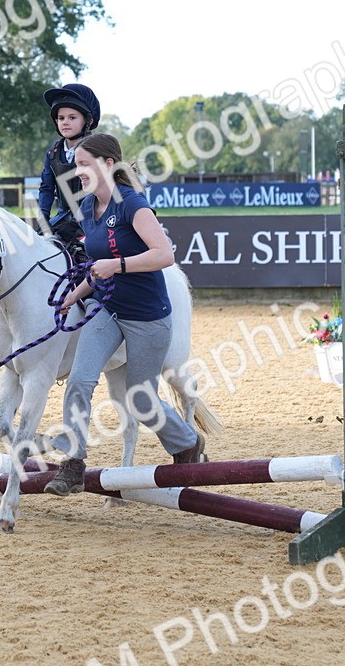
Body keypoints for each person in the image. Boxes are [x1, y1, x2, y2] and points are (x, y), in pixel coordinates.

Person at [44, 133, 205, 496]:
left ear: (108, 165)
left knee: (142, 399)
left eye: (85, 165)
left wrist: (116, 265)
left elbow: (164, 255)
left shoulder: (133, 205)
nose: (78, 172)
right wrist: (75, 294)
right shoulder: (87, 209)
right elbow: (95, 267)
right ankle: (73, 464)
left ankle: (187, 443)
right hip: (107, 308)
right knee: (80, 382)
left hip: (148, 316)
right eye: (76, 165)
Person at [37, 83, 99, 253]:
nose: (65, 122)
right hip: (62, 218)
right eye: (61, 118)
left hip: (93, 220)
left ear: (88, 120)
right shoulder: (53, 151)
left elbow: (96, 193)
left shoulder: (96, 149)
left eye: (72, 118)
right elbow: (46, 188)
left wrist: (75, 224)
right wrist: (43, 220)